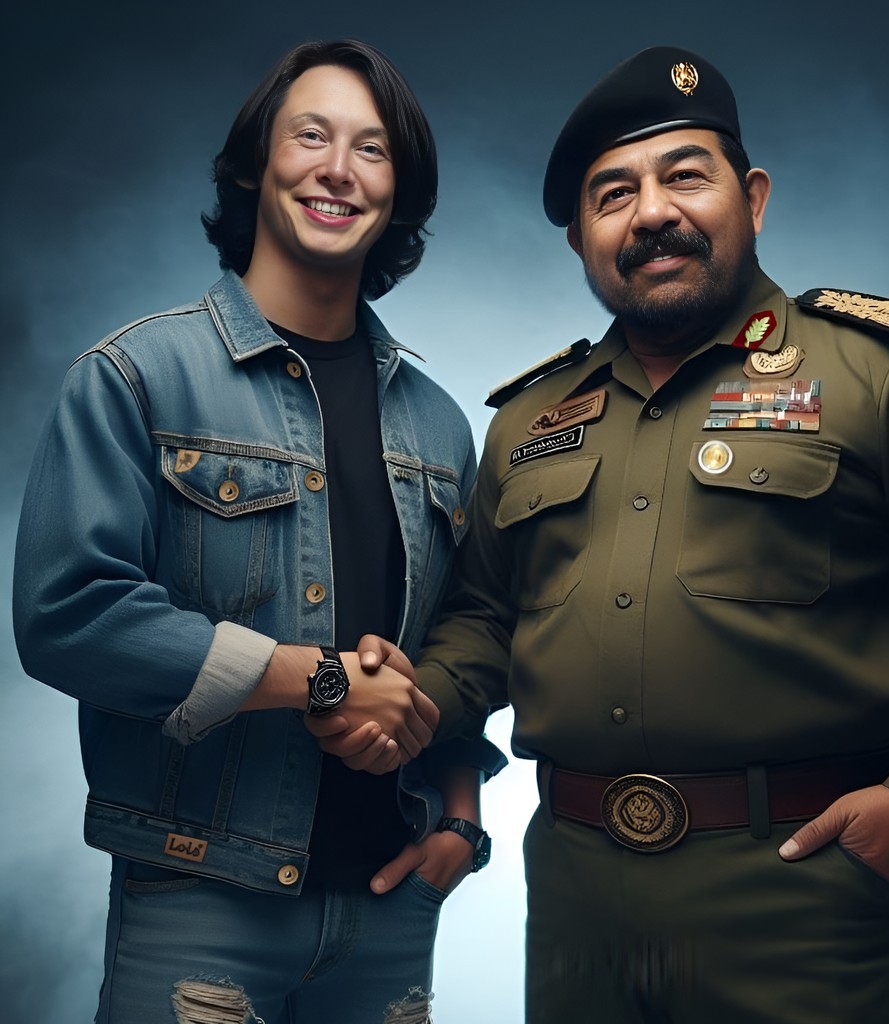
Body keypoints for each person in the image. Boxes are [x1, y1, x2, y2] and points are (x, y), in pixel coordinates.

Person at [333, 46, 889, 1022]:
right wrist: (404, 706)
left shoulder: (869, 371)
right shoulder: (530, 418)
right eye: (611, 194)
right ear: (580, 239)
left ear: (752, 198)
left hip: (806, 892)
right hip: (576, 899)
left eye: (683, 176)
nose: (650, 211)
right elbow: (485, 620)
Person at [13, 38, 503, 1024]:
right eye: (309, 135)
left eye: (370, 149)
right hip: (200, 897)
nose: (336, 168)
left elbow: (469, 634)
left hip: (392, 905)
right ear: (253, 165)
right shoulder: (135, 378)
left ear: (398, 191)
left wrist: (462, 816)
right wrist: (314, 676)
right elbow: (68, 612)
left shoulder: (443, 425)